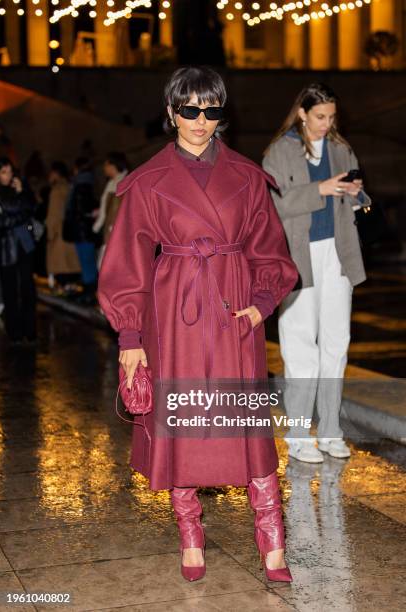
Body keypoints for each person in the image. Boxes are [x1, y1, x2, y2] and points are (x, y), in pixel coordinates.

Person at [98, 66, 298, 583]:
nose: (201, 121)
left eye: (211, 111)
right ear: (171, 113)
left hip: (234, 315)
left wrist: (260, 304)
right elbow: (126, 265)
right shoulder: (146, 183)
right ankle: (190, 535)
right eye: (190, 109)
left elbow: (271, 252)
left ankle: (272, 541)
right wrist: (130, 338)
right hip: (174, 317)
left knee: (248, 423)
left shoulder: (249, 178)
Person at [262, 83, 372, 464]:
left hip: (338, 255)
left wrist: (356, 194)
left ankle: (330, 431)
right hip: (297, 257)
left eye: (331, 117)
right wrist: (320, 189)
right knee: (299, 346)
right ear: (303, 113)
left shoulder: (341, 149)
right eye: (320, 116)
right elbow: (272, 204)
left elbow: (356, 197)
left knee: (336, 344)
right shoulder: (279, 151)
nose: (326, 124)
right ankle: (297, 434)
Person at [0, 157, 37, 343]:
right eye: (4, 172)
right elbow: (6, 216)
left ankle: (29, 330)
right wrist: (23, 211)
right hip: (7, 248)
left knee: (28, 288)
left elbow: (33, 206)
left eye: (10, 171)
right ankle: (14, 331)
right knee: (10, 290)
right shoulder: (2, 192)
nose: (9, 175)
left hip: (25, 245)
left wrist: (22, 192)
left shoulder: (20, 189)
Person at [63, 157, 98, 305]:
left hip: (82, 231)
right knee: (87, 263)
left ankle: (90, 295)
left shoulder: (80, 186)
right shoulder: (85, 185)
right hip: (84, 231)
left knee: (87, 263)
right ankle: (88, 292)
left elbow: (82, 209)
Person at [46, 162, 81, 288]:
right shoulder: (70, 186)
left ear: (55, 173)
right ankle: (71, 287)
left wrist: (50, 233)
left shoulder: (56, 190)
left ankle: (65, 288)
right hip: (71, 231)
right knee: (72, 263)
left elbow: (53, 214)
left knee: (61, 265)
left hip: (59, 233)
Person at [92, 152, 128, 268]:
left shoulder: (123, 182)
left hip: (117, 232)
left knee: (111, 266)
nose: (104, 168)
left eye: (106, 165)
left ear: (113, 165)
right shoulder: (111, 183)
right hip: (109, 230)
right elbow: (106, 209)